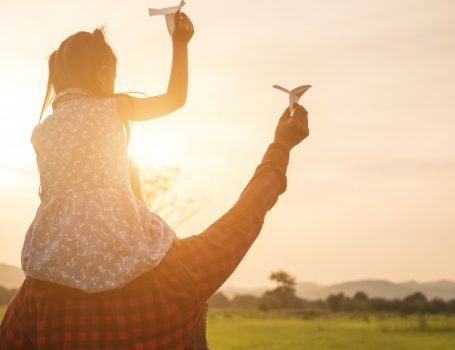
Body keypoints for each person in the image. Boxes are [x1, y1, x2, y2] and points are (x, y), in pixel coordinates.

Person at [0, 101, 309, 348]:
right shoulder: (178, 274)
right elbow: (245, 216)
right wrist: (281, 146)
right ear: (136, 201)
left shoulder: (39, 292)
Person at [20, 13, 194, 293]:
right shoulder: (114, 107)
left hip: (51, 250)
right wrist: (180, 43)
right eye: (113, 75)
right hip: (118, 237)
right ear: (102, 73)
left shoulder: (41, 131)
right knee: (188, 282)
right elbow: (175, 98)